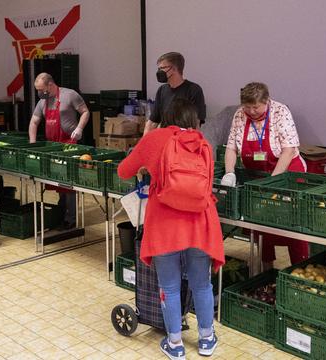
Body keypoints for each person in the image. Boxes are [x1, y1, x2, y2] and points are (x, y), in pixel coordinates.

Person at [118, 99, 224, 360]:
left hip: (165, 224)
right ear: (193, 120)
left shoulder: (155, 139)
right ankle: (207, 339)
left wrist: (146, 164)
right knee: (201, 284)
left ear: (166, 116)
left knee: (170, 286)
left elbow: (123, 171)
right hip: (200, 223)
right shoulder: (204, 144)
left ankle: (175, 344)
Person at [221, 82, 308, 269]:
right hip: (258, 175)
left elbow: (288, 150)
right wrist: (229, 173)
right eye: (247, 107)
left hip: (288, 173)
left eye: (256, 107)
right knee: (262, 224)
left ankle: (300, 269)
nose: (251, 111)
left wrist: (273, 180)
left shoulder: (280, 112)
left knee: (292, 223)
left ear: (266, 101)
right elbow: (231, 147)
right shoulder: (239, 115)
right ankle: (266, 271)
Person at [28, 73, 90, 229]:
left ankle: (71, 219)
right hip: (53, 146)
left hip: (69, 145)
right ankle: (62, 212)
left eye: (41, 89)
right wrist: (33, 144)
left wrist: (79, 128)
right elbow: (34, 122)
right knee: (57, 181)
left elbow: (85, 112)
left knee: (69, 183)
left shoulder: (70, 95)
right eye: (37, 90)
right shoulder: (43, 101)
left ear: (50, 85)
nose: (39, 93)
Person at [144, 52, 206, 135]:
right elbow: (152, 122)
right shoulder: (162, 90)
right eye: (159, 69)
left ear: (174, 69)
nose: (159, 71)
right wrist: (144, 143)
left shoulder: (194, 90)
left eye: (162, 68)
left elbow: (196, 124)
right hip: (165, 140)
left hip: (183, 140)